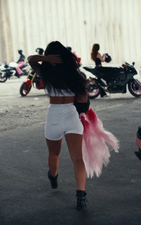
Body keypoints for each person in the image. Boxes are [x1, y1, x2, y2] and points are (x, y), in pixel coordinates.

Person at [28, 41, 89, 210]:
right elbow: (83, 99)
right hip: (71, 115)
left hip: (54, 115)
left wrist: (45, 58)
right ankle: (81, 196)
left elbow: (30, 59)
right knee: (77, 159)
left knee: (54, 153)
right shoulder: (76, 75)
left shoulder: (46, 72)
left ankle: (53, 177)